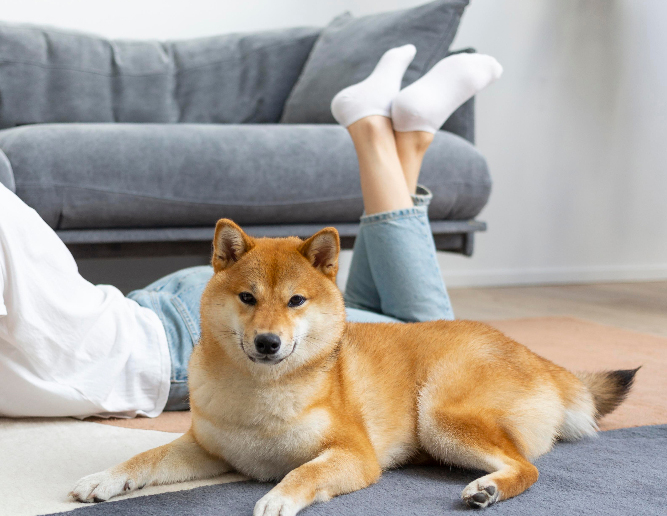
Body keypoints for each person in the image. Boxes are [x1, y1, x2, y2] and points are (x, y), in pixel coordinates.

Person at [0, 46, 501, 418]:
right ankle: (408, 138)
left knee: (432, 341)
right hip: (174, 307)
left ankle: (375, 130)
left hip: (190, 334)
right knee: (387, 324)